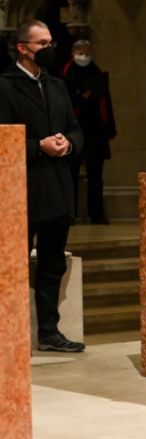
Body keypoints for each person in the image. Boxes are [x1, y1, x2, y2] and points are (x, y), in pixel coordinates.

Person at [0, 20, 85, 352]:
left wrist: (68, 143)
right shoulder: (5, 85)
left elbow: (76, 129)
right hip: (21, 190)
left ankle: (49, 332)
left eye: (51, 42)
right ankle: (9, 334)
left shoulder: (57, 85)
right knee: (13, 266)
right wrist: (39, 146)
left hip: (57, 189)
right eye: (43, 43)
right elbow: (2, 138)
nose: (50, 49)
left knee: (52, 264)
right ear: (23, 48)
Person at [63, 39, 117, 224]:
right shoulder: (67, 74)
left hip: (95, 131)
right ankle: (70, 213)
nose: (84, 56)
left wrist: (110, 129)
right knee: (71, 173)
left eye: (87, 53)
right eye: (81, 53)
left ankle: (97, 213)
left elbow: (106, 102)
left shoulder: (96, 73)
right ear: (73, 53)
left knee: (96, 175)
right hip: (75, 130)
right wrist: (80, 97)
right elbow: (64, 102)